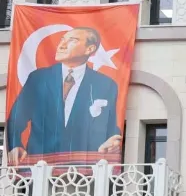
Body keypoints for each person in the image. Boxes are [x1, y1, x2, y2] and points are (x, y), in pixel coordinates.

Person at [6, 27, 123, 165]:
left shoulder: (105, 84)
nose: (61, 45)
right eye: (62, 39)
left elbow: (110, 125)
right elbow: (16, 118)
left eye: (72, 41)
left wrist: (114, 141)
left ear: (89, 49)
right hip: (40, 167)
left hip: (85, 170)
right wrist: (15, 145)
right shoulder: (38, 79)